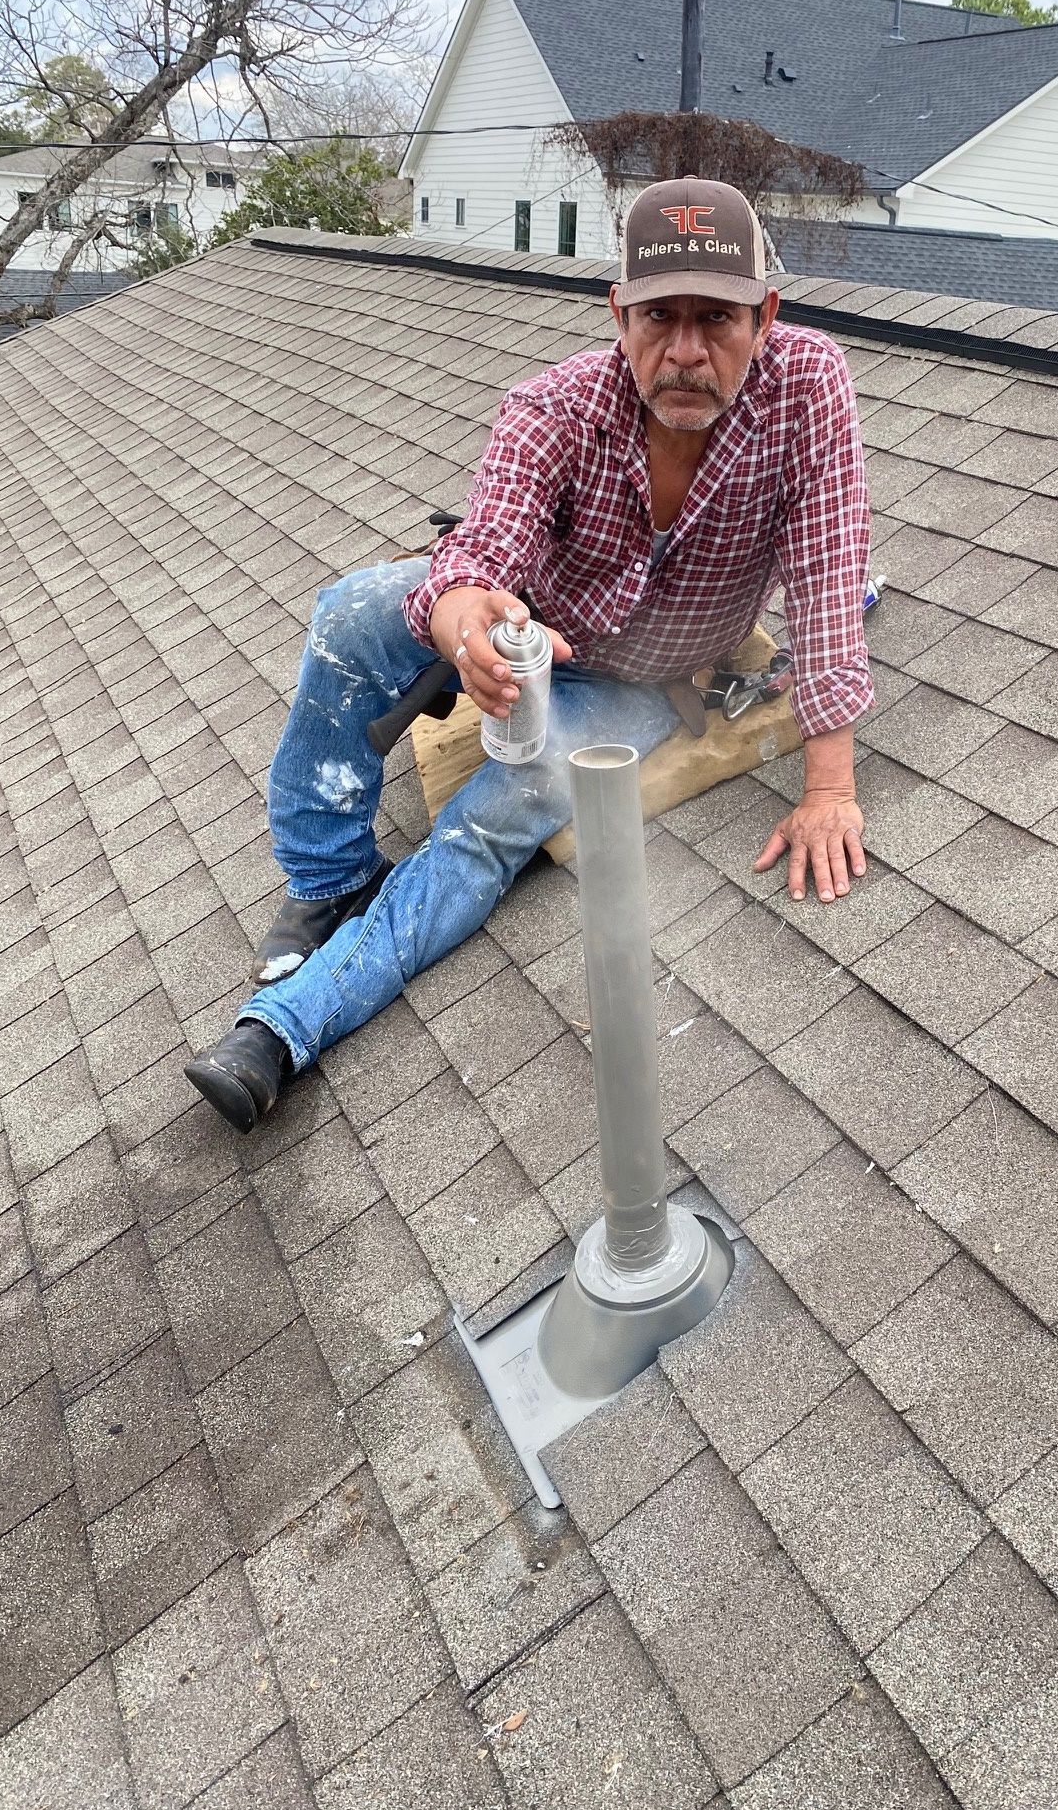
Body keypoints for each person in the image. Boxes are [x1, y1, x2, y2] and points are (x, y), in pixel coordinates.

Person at [184, 176, 873, 1134]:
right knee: (347, 614)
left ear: (766, 315)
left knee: (493, 821)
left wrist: (829, 786)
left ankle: (284, 1028)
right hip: (535, 633)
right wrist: (468, 624)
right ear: (616, 314)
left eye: (716, 319)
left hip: (639, 679)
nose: (684, 353)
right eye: (656, 317)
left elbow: (832, 575)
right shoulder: (552, 408)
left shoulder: (807, 388)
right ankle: (325, 875)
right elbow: (480, 549)